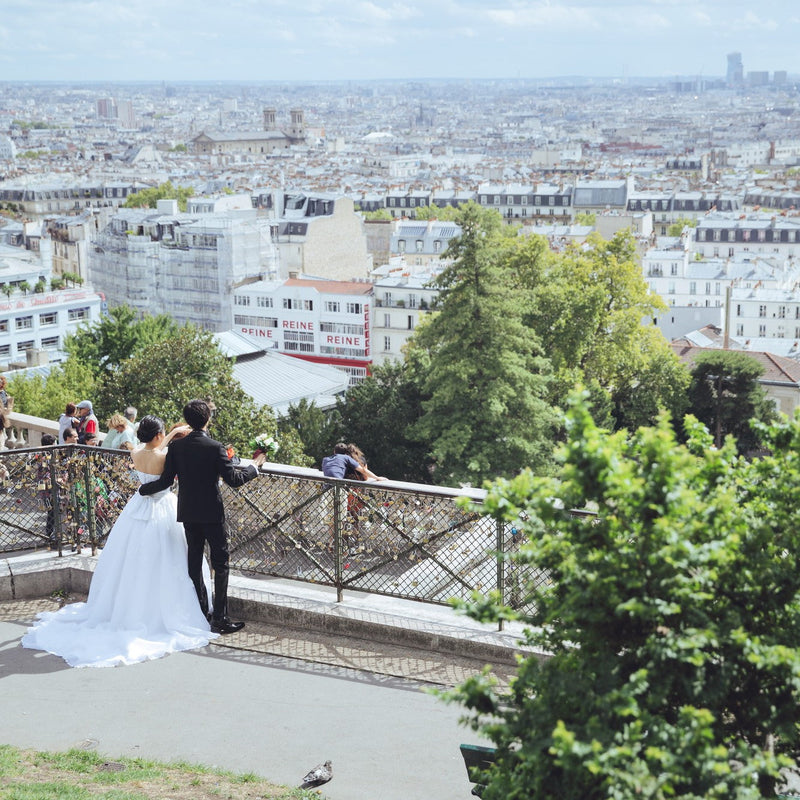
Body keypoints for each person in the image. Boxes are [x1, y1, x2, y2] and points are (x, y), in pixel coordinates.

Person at [21, 415, 218, 667]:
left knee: (131, 558)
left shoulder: (135, 452)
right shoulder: (165, 456)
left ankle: (125, 607)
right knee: (171, 555)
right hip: (162, 508)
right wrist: (175, 432)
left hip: (137, 508)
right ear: (158, 435)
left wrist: (167, 435)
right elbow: (166, 461)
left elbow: (154, 448)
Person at [139, 399, 264, 635]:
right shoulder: (215, 447)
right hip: (212, 514)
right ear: (208, 419)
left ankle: (199, 612)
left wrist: (142, 490)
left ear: (188, 421)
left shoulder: (177, 447)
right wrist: (254, 467)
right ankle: (220, 618)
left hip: (187, 512)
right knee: (221, 564)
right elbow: (234, 480)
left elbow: (165, 481)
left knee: (194, 563)